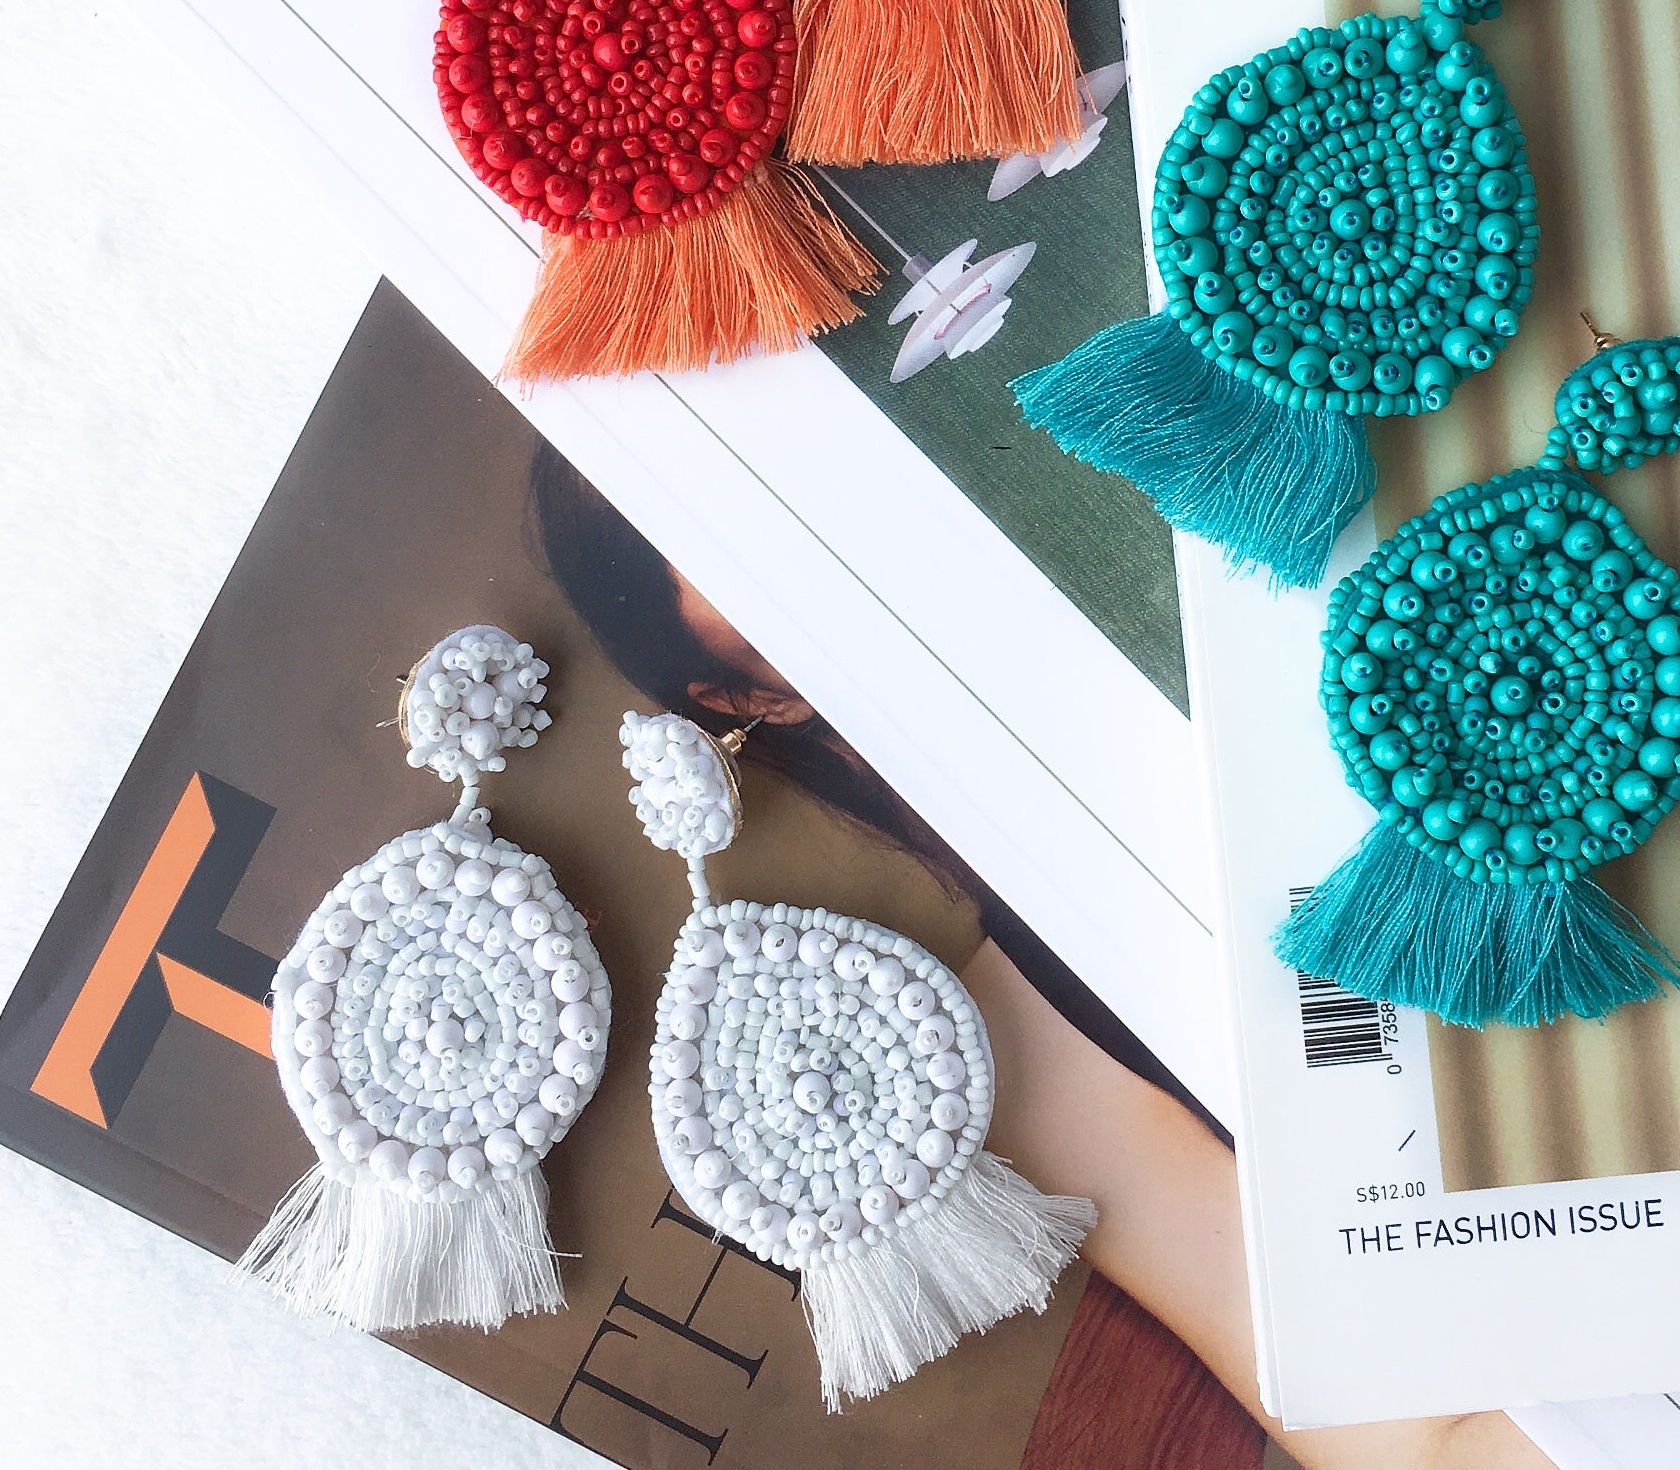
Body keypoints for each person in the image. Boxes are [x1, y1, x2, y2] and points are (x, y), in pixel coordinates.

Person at [530, 442, 1544, 1467]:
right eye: (762, 587)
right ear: (755, 702)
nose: (841, 568)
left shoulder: (1224, 529)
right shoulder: (999, 1023)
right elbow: (1410, 1432)